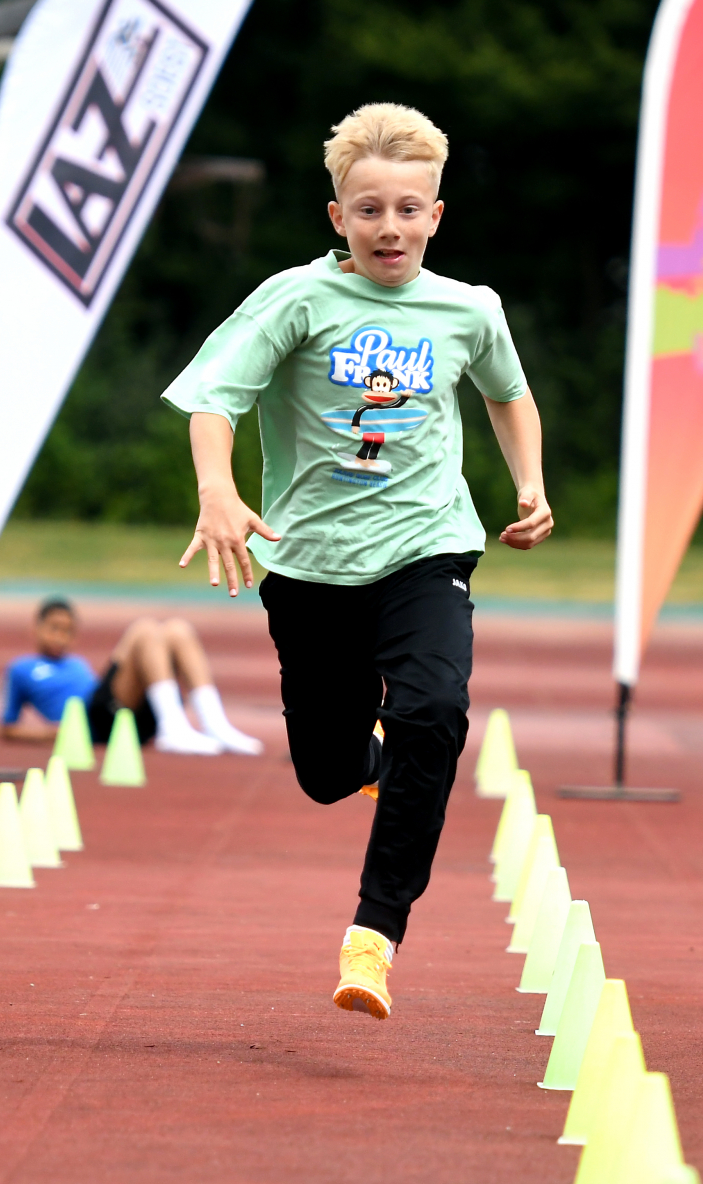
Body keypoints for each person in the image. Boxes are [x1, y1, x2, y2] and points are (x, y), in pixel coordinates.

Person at [160, 104, 552, 1019]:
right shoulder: (297, 298)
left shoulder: (468, 308)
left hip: (427, 547)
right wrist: (218, 491)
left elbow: (509, 392)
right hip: (312, 567)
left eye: (409, 209)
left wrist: (528, 483)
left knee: (436, 714)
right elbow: (214, 400)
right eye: (370, 209)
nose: (391, 227)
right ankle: (369, 753)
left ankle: (374, 937)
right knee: (329, 772)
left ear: (437, 216)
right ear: (338, 217)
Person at [0, 598, 262, 756]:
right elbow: (7, 728)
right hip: (95, 721)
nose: (60, 637)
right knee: (144, 629)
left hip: (129, 716)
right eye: (53, 628)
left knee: (177, 630)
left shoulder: (76, 663)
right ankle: (173, 728)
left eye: (67, 631)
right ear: (36, 627)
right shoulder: (21, 669)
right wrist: (51, 734)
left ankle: (215, 725)